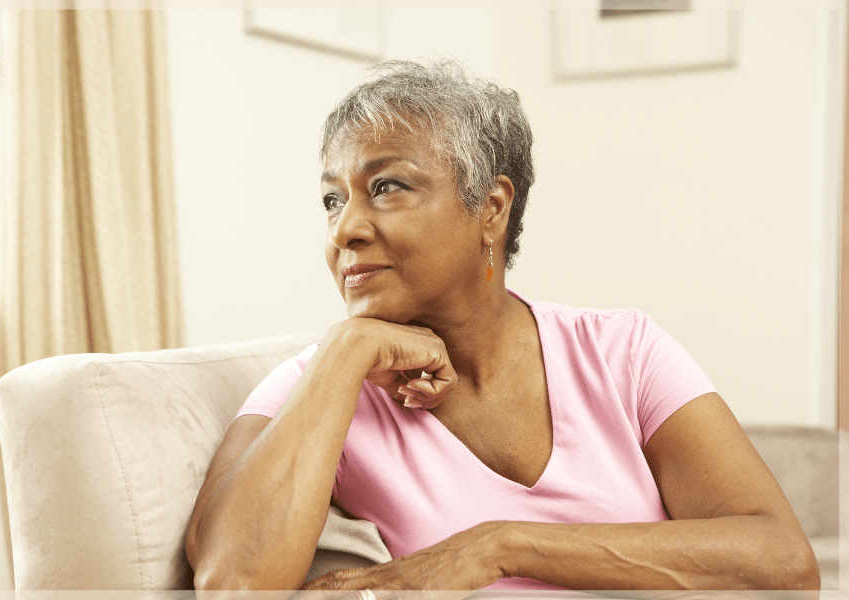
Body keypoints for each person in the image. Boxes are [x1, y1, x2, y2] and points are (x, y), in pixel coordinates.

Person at [185, 58, 820, 592]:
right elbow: (236, 584)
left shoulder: (623, 352)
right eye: (332, 198)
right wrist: (347, 348)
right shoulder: (319, 385)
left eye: (387, 187)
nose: (344, 229)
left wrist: (497, 547)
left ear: (489, 207)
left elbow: (783, 565)